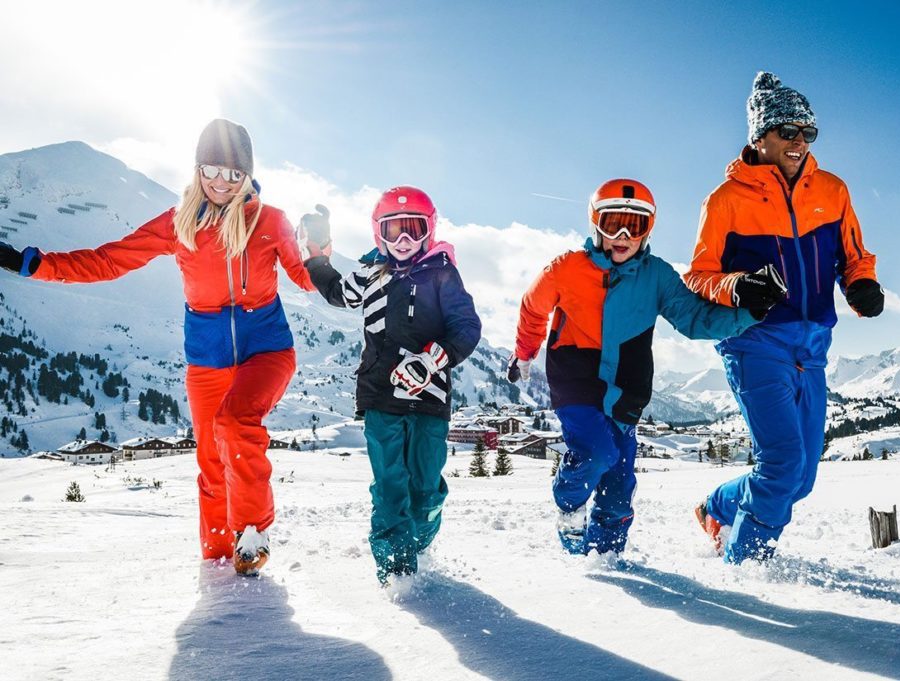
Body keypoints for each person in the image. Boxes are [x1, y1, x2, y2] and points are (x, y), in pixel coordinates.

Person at [0, 119, 315, 575]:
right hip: (206, 359)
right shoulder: (177, 223)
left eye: (232, 173)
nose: (220, 182)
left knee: (236, 422)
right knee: (210, 460)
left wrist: (319, 254)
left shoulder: (269, 221)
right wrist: (35, 265)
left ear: (246, 175)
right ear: (197, 169)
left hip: (266, 349)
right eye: (212, 169)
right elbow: (110, 260)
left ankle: (253, 531)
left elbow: (305, 279)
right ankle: (218, 562)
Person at [685, 72, 884, 564]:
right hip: (754, 341)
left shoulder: (833, 191)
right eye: (788, 132)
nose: (799, 142)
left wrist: (861, 284)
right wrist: (737, 286)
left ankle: (718, 506)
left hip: (812, 345)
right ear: (761, 136)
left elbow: (853, 254)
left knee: (802, 476)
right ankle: (746, 571)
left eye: (807, 133)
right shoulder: (726, 199)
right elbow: (699, 275)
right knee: (780, 464)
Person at [508, 179, 762, 556]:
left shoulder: (656, 276)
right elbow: (533, 308)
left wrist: (751, 310)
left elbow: (694, 319)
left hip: (627, 386)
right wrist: (525, 352)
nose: (623, 235)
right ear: (596, 225)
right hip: (576, 380)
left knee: (619, 486)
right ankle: (570, 504)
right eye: (613, 224)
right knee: (597, 453)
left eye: (635, 225)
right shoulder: (567, 268)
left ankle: (605, 558)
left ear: (648, 230)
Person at [299, 186, 481, 585]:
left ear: (428, 232)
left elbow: (467, 327)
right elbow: (335, 292)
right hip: (381, 397)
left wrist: (432, 360)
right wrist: (317, 253)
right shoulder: (369, 272)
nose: (403, 241)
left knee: (425, 488)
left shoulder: (442, 273)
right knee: (390, 486)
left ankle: (420, 539)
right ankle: (397, 572)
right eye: (393, 230)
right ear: (378, 232)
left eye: (413, 230)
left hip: (429, 400)